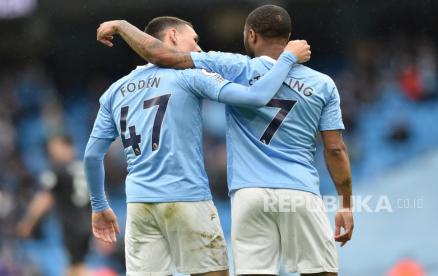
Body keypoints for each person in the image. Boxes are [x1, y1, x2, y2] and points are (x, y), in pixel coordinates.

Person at [96, 4, 354, 276]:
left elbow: (160, 55)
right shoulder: (323, 84)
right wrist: (346, 205)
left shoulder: (233, 66)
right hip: (300, 192)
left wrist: (122, 26)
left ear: (251, 35)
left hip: (248, 194)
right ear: (289, 36)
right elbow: (335, 149)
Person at [17, 135, 91, 276]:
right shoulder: (84, 168)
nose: (53, 152)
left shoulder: (56, 170)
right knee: (77, 265)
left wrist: (28, 222)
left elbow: (45, 198)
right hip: (87, 226)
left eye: (56, 147)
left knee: (77, 268)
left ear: (67, 147)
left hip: (71, 226)